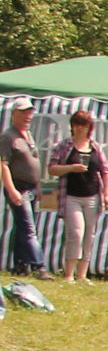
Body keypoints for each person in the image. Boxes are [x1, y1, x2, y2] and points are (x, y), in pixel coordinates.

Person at [49, 110, 108, 283]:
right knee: (76, 232)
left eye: (83, 125)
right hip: (71, 195)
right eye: (76, 124)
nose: (79, 128)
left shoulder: (95, 147)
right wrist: (70, 168)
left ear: (89, 127)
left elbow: (106, 172)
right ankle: (69, 274)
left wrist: (106, 195)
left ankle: (82, 274)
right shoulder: (64, 146)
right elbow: (52, 169)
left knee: (89, 234)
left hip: (92, 196)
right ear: (72, 126)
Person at [2, 97, 41, 275]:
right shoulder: (7, 136)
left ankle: (20, 264)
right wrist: (11, 190)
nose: (28, 116)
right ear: (14, 114)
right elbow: (3, 164)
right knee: (28, 226)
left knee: (22, 226)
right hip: (19, 187)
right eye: (24, 112)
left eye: (30, 112)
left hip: (31, 188)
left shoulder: (28, 134)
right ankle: (39, 266)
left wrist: (38, 187)